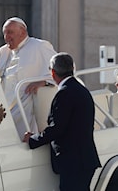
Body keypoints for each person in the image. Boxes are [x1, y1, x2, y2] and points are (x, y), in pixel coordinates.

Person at [0, 16, 57, 137]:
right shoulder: (3, 52)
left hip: (27, 106)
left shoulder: (39, 46)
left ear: (22, 32)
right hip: (6, 108)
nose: (7, 37)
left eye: (10, 32)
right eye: (5, 33)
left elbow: (64, 68)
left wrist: (44, 82)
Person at [23, 52, 101, 190]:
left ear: (53, 73)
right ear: (73, 68)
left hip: (73, 163)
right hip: (83, 160)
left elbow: (57, 128)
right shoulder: (81, 89)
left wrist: (33, 139)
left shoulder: (64, 93)